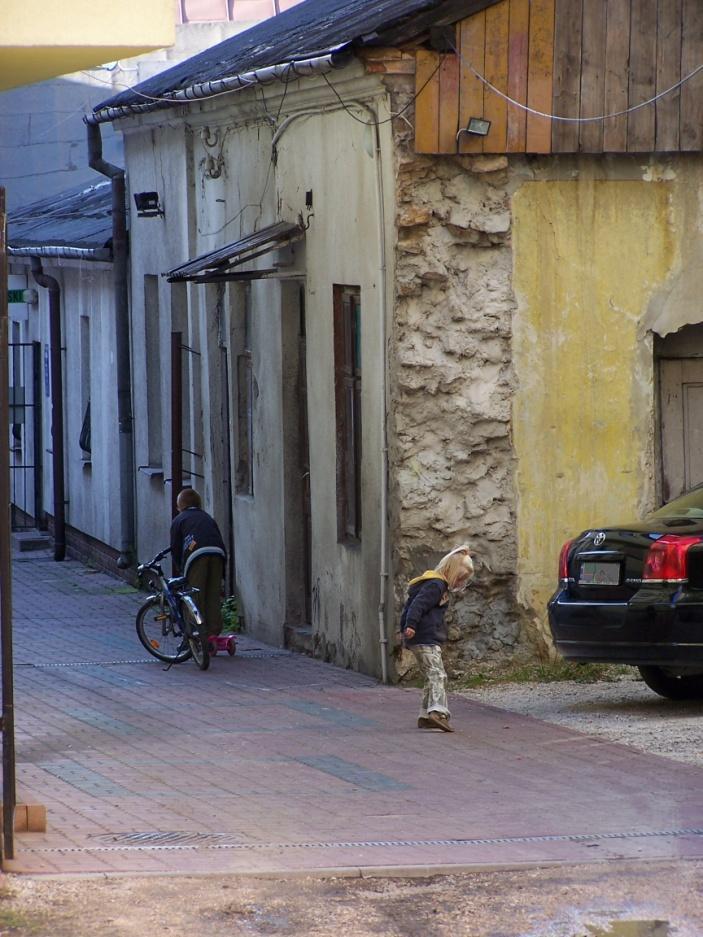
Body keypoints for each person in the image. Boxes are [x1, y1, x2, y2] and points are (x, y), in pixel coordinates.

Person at [400, 544, 474, 733]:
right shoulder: (436, 585)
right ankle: (437, 712)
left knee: (430, 676)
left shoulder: (436, 584)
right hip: (424, 637)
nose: (459, 584)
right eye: (460, 578)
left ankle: (425, 715)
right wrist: (410, 625)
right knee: (437, 674)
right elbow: (417, 605)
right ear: (452, 572)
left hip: (424, 637)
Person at [169, 488, 227, 641]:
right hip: (217, 553)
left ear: (180, 506)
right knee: (213, 593)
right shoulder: (207, 517)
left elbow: (175, 546)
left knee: (194, 594)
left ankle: (195, 633)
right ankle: (213, 632)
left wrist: (179, 568)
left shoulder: (179, 519)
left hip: (196, 555)